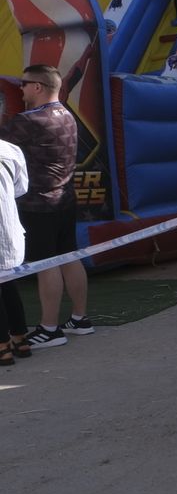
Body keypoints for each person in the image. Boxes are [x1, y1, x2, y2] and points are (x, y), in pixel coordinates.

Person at [6, 66, 92, 350]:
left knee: (46, 264)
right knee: (69, 256)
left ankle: (50, 329)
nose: (20, 88)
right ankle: (80, 319)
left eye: (24, 83)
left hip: (39, 204)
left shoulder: (29, 121)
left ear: (38, 87)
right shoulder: (67, 114)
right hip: (65, 200)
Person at [0, 138, 26, 366]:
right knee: (8, 284)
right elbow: (21, 188)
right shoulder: (11, 149)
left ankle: (2, 347)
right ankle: (20, 339)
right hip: (10, 230)